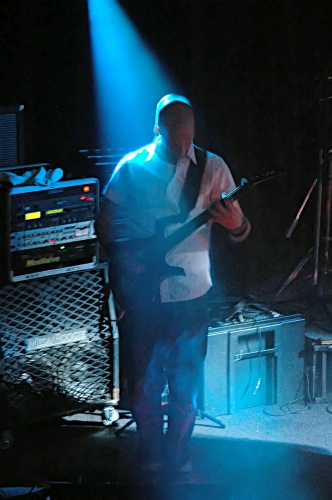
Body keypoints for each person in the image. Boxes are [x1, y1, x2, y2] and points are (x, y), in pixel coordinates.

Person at [95, 94, 251, 473]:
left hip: (192, 295)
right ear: (157, 130)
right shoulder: (131, 168)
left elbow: (242, 230)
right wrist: (122, 255)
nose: (182, 147)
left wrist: (234, 225)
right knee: (144, 388)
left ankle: (178, 457)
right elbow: (103, 223)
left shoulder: (213, 168)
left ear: (194, 130)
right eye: (172, 138)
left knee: (185, 388)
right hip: (143, 295)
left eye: (188, 137)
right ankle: (148, 456)